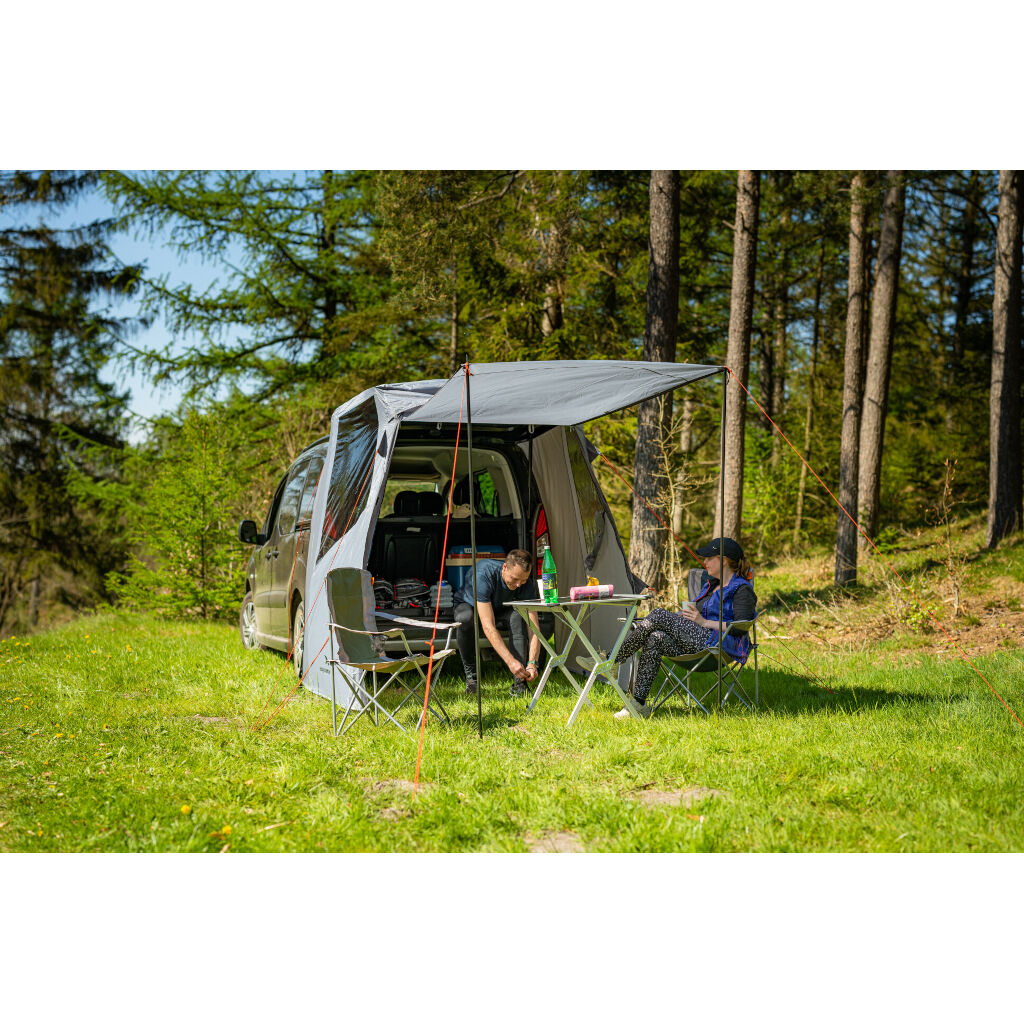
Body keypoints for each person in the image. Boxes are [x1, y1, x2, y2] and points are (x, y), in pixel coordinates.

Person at [611, 536, 757, 719]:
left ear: (723, 560)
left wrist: (703, 622)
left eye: (708, 558)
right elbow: (697, 615)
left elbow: (740, 627)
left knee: (659, 614)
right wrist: (685, 616)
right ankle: (639, 704)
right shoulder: (711, 585)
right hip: (697, 640)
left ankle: (613, 660)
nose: (704, 562)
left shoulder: (742, 589)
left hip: (719, 647)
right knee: (655, 637)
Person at [452, 549, 543, 697]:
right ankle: (472, 679)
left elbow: (534, 629)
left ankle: (520, 683)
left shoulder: (526, 584)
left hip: (500, 608)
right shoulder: (483, 575)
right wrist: (510, 662)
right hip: (470, 606)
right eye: (515, 579)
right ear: (505, 567)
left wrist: (533, 663)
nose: (518, 584)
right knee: (466, 618)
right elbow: (488, 627)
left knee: (518, 616)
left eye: (523, 580)